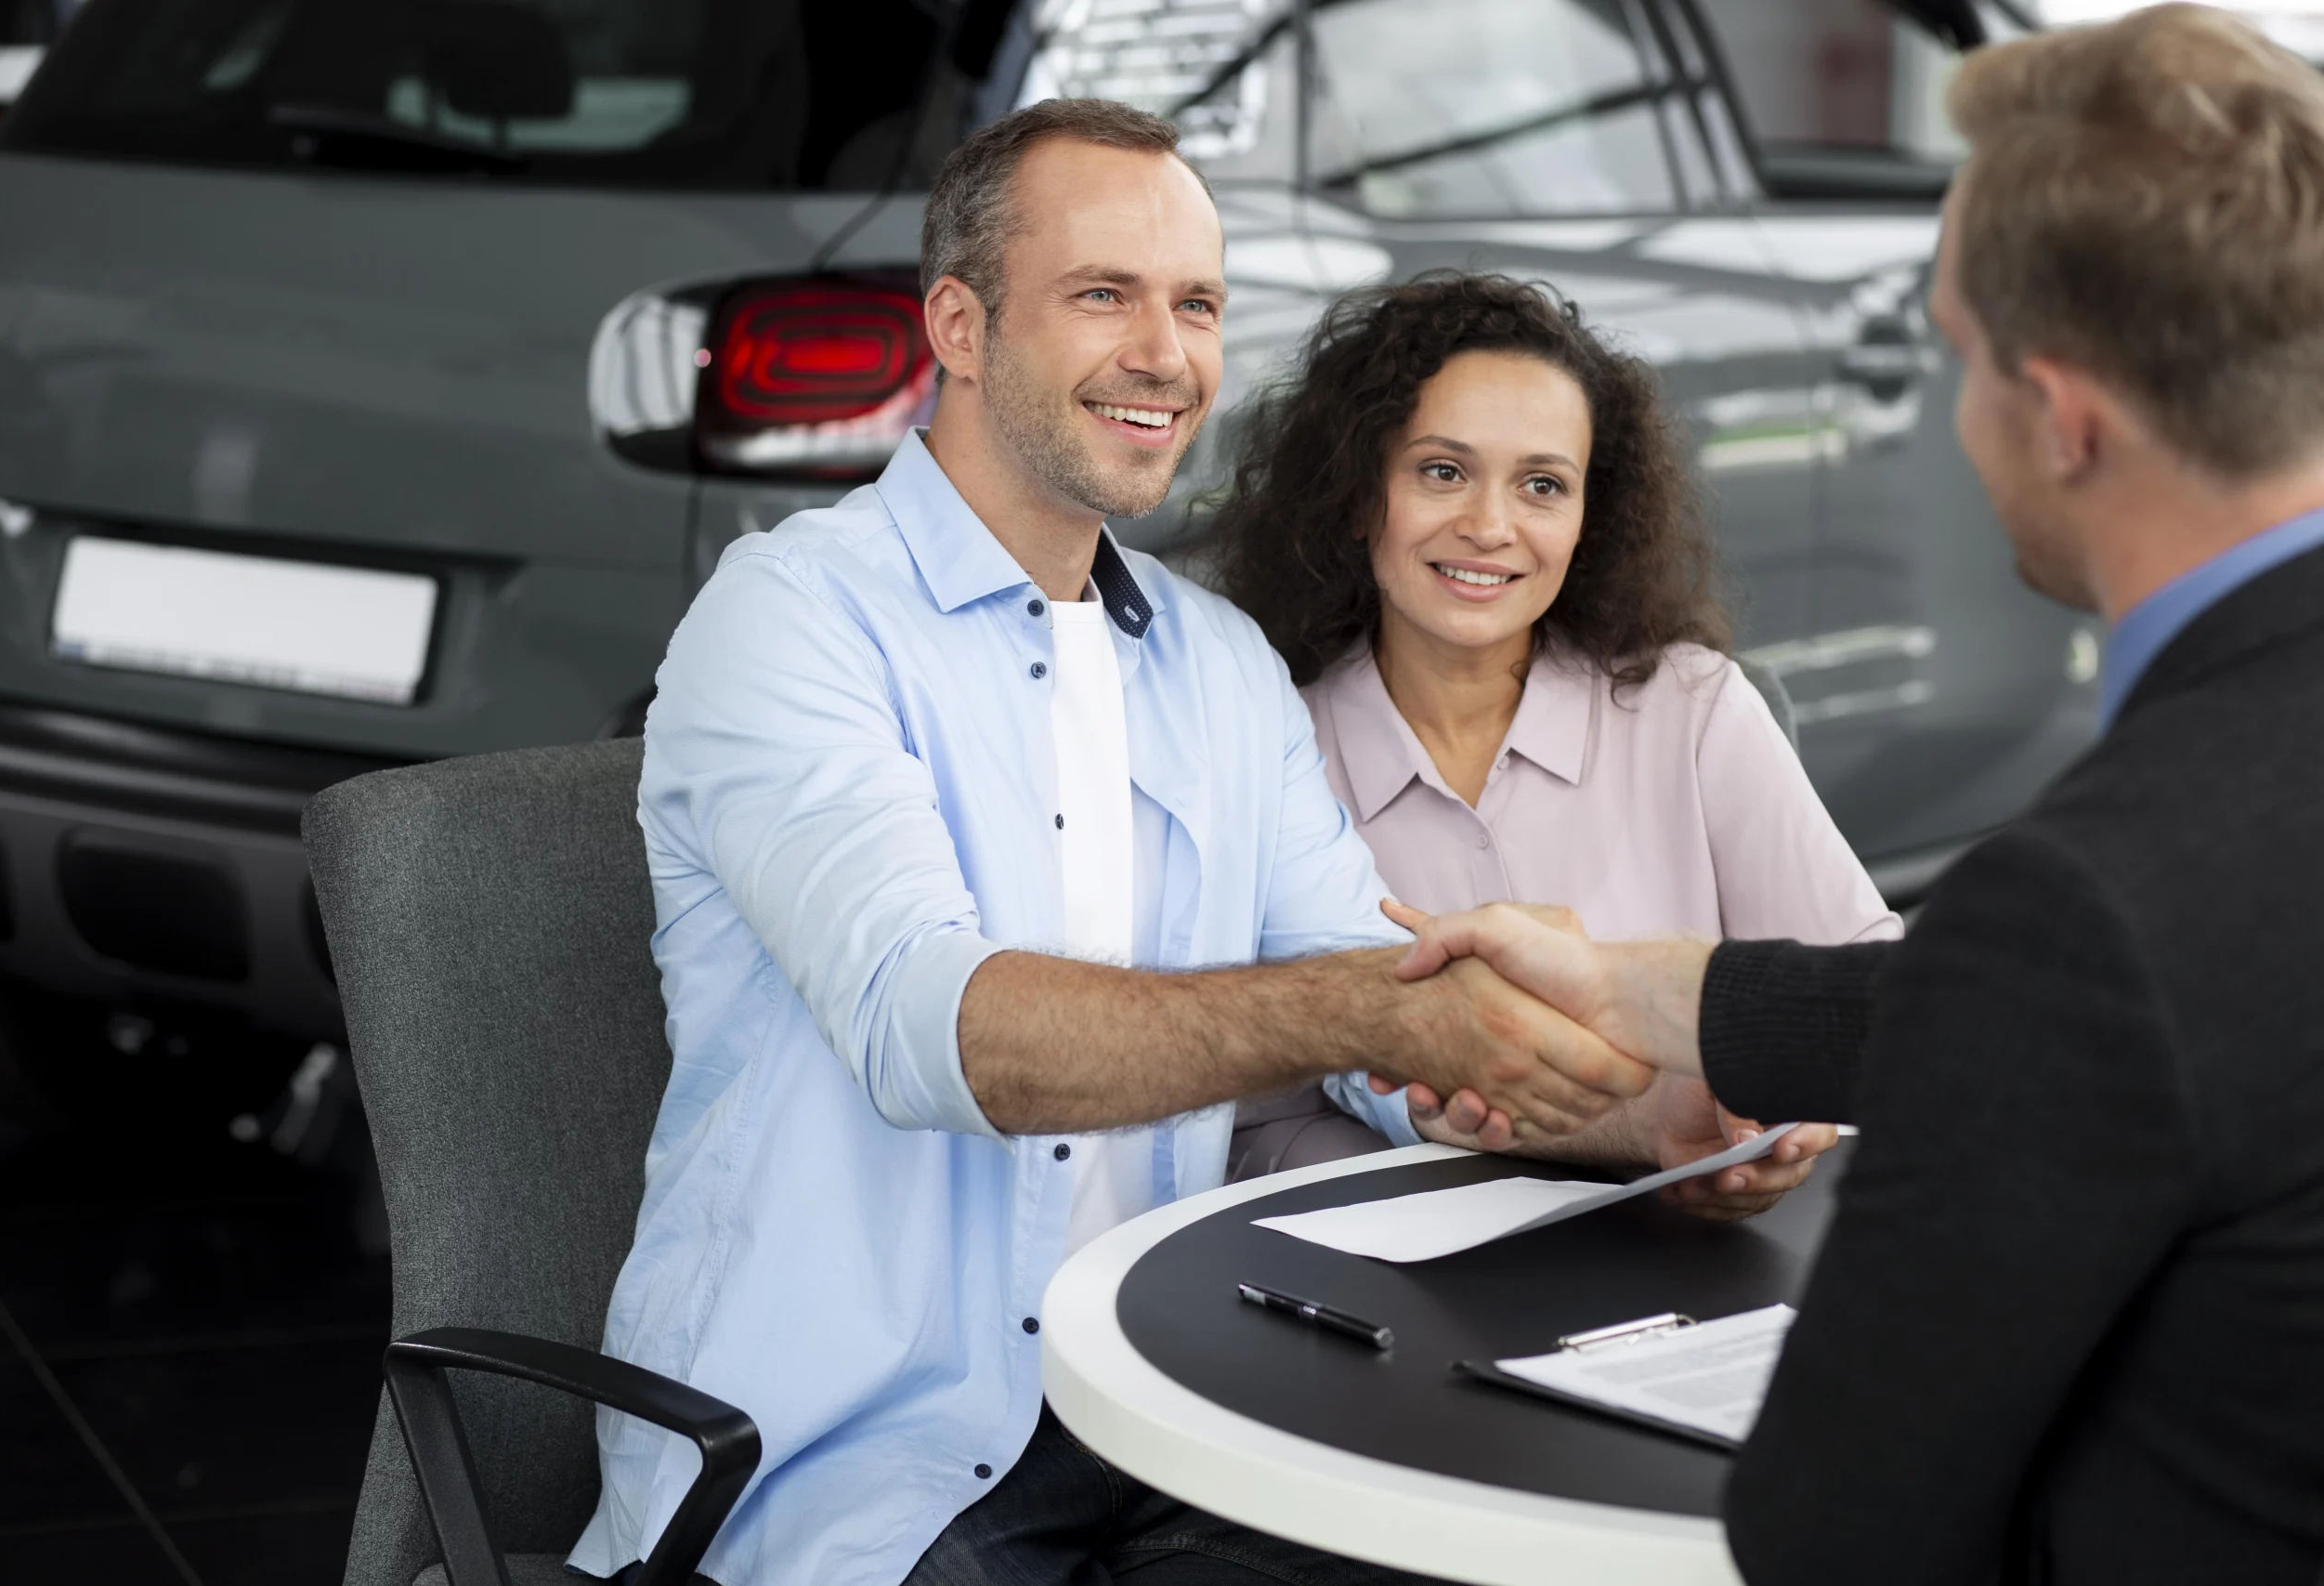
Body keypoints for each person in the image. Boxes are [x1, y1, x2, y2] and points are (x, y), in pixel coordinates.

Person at [568, 99, 1811, 1586]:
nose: (1166, 353)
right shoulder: (790, 620)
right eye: (1105, 294)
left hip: (1169, 1409)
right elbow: (943, 1035)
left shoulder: (1215, 664)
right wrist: (1373, 1004)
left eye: (1199, 304)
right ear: (958, 325)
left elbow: (1378, 1014)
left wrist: (1660, 1131)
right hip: (866, 1458)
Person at [1389, 8, 2324, 1582]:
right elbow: (2124, 1014)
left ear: (2066, 411)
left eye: (1960, 362)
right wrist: (1633, 986)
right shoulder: (2172, 882)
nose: (1952, 421)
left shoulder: (2090, 905)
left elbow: (1829, 1519)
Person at [1214, 274, 1896, 1180]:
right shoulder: (1268, 752)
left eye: (1542, 485)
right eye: (1442, 471)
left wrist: (1764, 1128)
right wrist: (1464, 1164)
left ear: (1587, 521)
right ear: (1355, 495)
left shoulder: (1693, 709)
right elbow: (1255, 1122)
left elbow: (1871, 1000)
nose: (1490, 526)